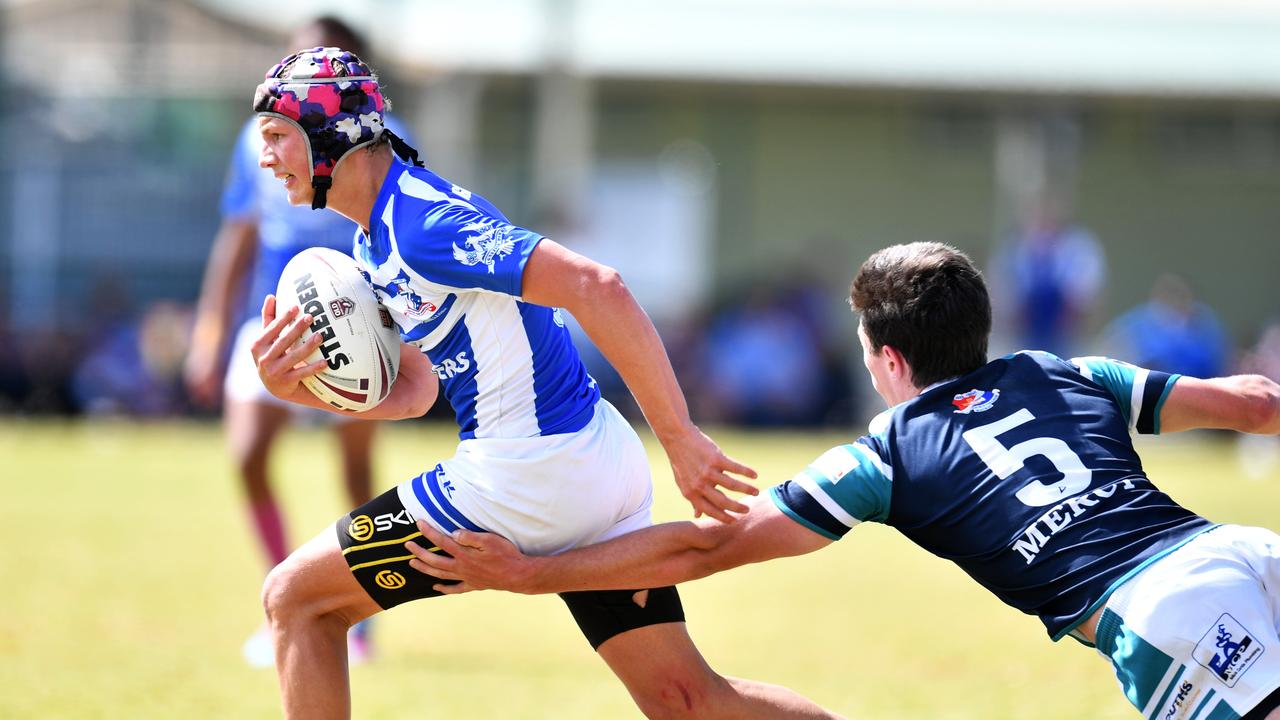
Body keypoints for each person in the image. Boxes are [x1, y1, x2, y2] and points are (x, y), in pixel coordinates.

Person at [409, 242, 1280, 720]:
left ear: (888, 358)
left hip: (1167, 614)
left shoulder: (888, 455)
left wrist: (531, 572)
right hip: (1243, 553)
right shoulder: (1065, 370)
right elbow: (1252, 404)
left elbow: (707, 547)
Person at [248, 46, 839, 719]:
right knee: (686, 700)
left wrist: (681, 439)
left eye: (276, 136)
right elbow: (415, 390)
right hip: (590, 463)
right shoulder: (376, 237)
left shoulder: (421, 228)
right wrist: (301, 390)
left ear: (330, 133)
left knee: (297, 601)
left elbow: (597, 286)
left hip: (528, 477)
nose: (265, 156)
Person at [184, 17, 412, 667]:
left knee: (356, 472)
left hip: (358, 315)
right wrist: (209, 328)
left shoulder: (387, 138)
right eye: (295, 52)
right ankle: (291, 597)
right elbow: (239, 235)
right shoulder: (256, 138)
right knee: (248, 453)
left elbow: (402, 231)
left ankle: (359, 615)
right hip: (275, 313)